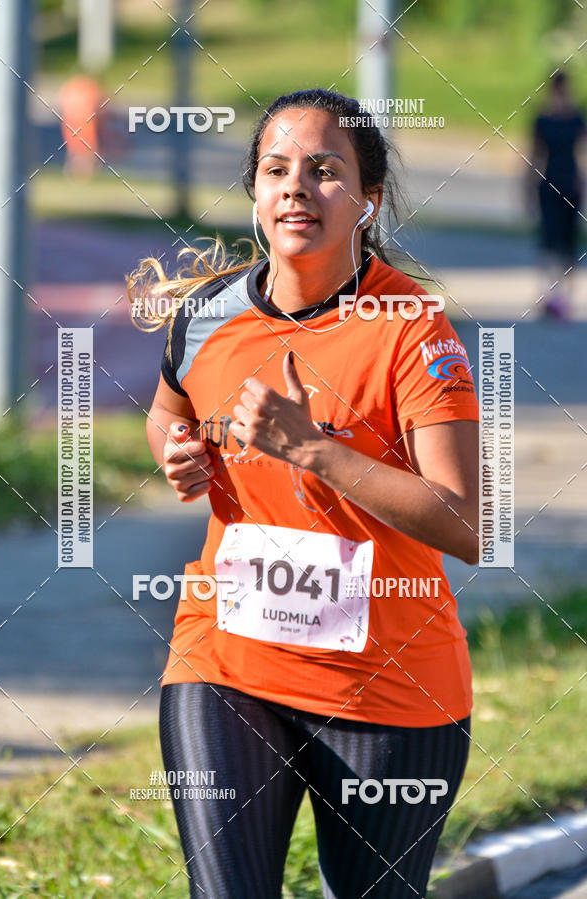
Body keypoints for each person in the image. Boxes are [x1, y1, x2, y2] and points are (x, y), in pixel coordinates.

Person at [128, 88, 479, 898]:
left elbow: (462, 521)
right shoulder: (207, 315)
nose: (297, 187)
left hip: (390, 687)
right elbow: (166, 411)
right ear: (254, 191)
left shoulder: (411, 328)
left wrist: (313, 450)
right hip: (228, 658)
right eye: (277, 169)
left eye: (325, 172)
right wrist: (176, 453)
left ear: (368, 199)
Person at [525, 71, 586, 319]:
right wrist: (527, 186)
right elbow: (534, 155)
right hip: (549, 184)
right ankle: (548, 294)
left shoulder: (577, 118)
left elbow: (583, 152)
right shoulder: (543, 119)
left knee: (568, 243)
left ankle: (567, 297)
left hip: (571, 185)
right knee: (549, 240)